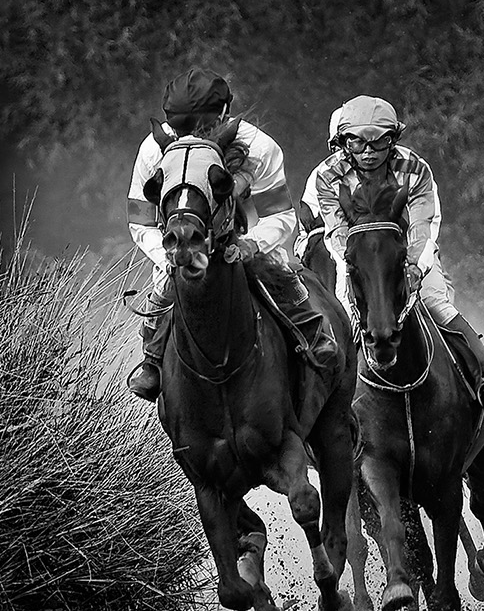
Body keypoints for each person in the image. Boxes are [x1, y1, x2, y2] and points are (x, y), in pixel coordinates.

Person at [311, 94, 484, 433]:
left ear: (393, 139)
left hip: (408, 252)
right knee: (342, 317)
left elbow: (425, 224)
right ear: (344, 142)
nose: (368, 151)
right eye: (358, 142)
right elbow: (336, 232)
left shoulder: (415, 168)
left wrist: (414, 268)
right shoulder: (326, 176)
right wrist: (353, 270)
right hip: (356, 260)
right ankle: (323, 410)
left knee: (436, 303)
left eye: (378, 142)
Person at [125, 68, 337, 401]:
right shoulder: (154, 150)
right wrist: (165, 255)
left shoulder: (259, 148)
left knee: (283, 275)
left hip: (248, 240)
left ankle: (314, 337)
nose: (191, 136)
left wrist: (251, 244)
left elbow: (280, 215)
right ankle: (152, 360)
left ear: (225, 113)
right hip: (182, 247)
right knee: (164, 287)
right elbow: (140, 220)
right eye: (181, 128)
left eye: (203, 126)